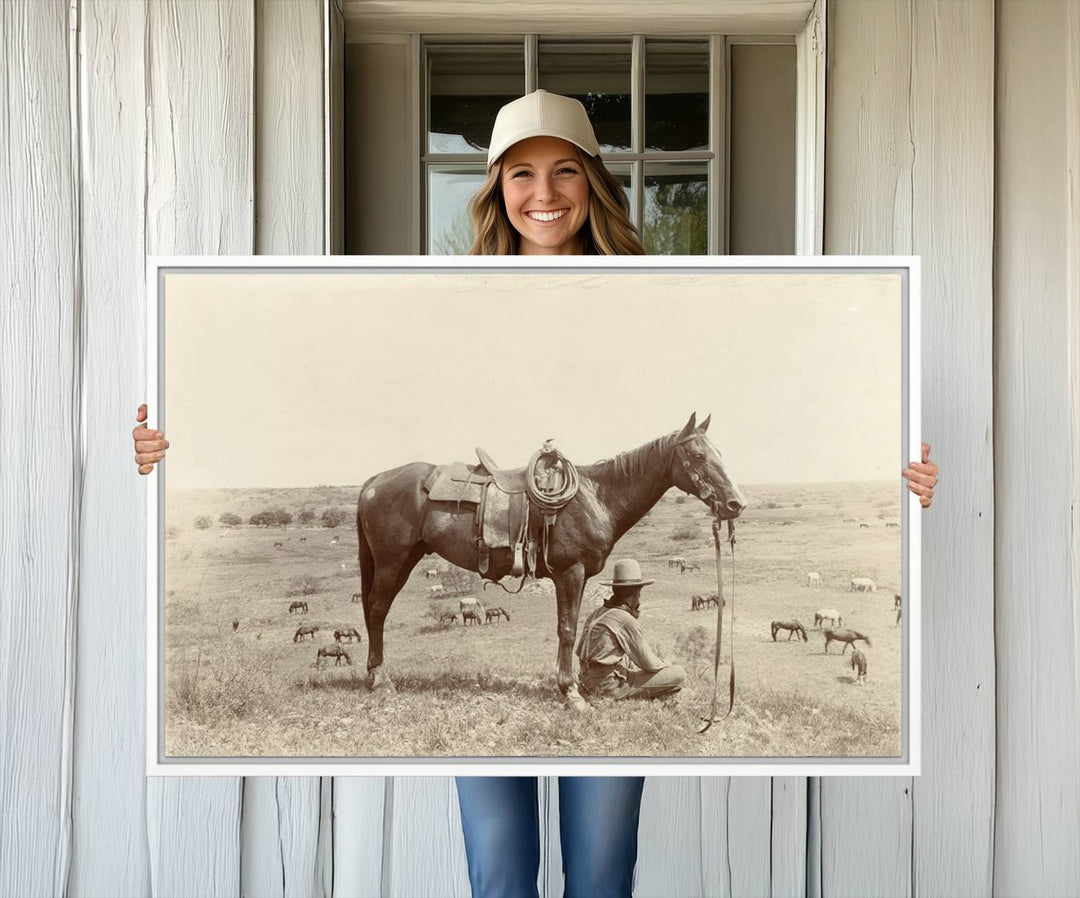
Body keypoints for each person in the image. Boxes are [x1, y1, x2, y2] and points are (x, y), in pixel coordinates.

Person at [130, 89, 940, 898]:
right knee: (499, 872)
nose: (543, 194)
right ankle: (391, 661)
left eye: (563, 173)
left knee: (600, 871)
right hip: (500, 469)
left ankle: (569, 679)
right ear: (495, 189)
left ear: (592, 182)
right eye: (521, 174)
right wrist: (162, 451)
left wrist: (904, 481)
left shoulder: (649, 295)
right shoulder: (450, 296)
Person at [576, 558, 685, 701]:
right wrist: (666, 664)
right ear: (635, 593)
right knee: (679, 674)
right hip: (608, 687)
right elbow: (649, 664)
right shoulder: (625, 619)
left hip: (585, 683)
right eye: (638, 594)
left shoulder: (597, 613)